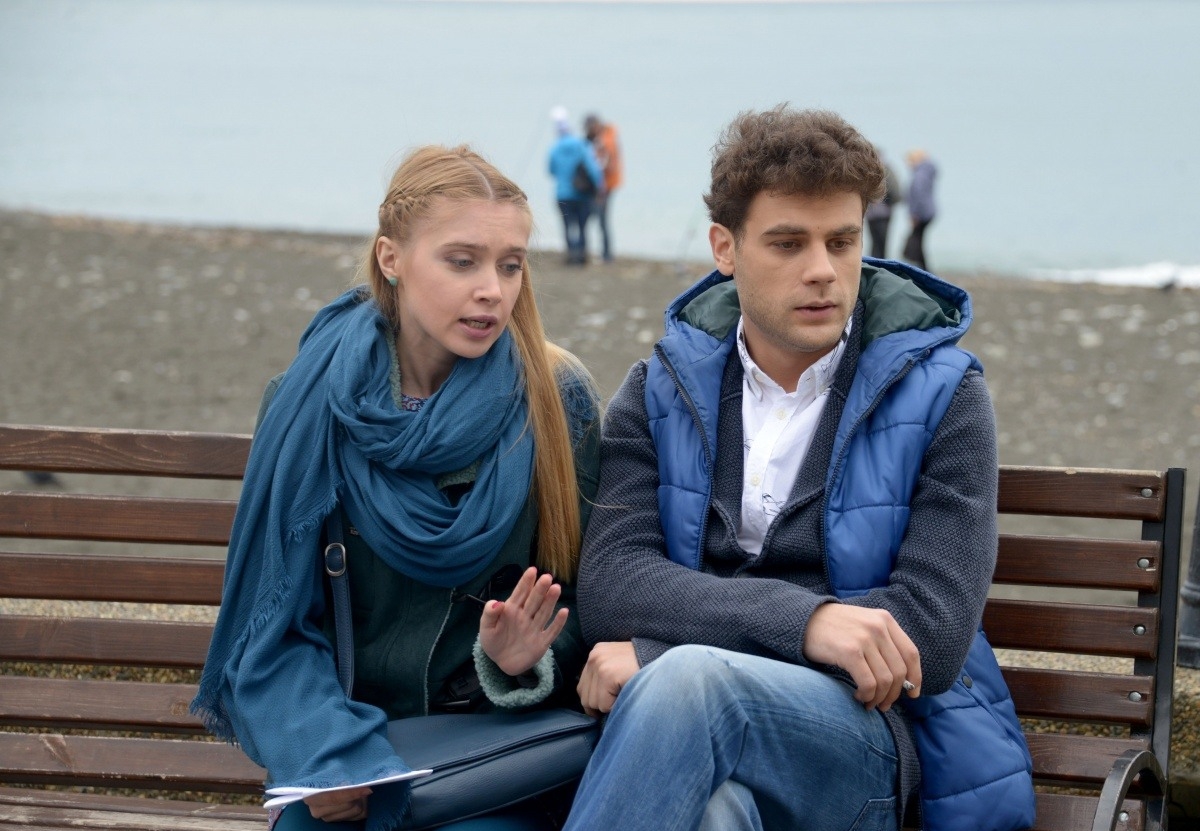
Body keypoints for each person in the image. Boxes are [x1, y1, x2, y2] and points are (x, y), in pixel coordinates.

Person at [565, 107, 1033, 831]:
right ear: (725, 248)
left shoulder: (946, 396)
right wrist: (807, 622)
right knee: (714, 814)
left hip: (864, 744)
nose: (822, 270)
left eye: (842, 241)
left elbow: (932, 636)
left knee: (691, 685)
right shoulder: (659, 391)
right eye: (788, 243)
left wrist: (663, 650)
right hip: (693, 737)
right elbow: (613, 582)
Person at [192, 145, 601, 831]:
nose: (493, 290)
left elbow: (594, 604)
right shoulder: (305, 405)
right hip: (350, 746)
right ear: (391, 258)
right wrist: (321, 754)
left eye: (511, 264)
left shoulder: (559, 405)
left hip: (497, 759)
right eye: (462, 261)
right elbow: (274, 623)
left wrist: (517, 662)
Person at [547, 106, 603, 266]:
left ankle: (571, 254)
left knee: (567, 226)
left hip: (562, 194)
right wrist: (600, 187)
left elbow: (551, 170)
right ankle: (581, 255)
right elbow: (593, 169)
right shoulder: (581, 145)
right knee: (582, 226)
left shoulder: (554, 149)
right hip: (581, 195)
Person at [583, 113, 623, 262]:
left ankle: (606, 254)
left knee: (601, 219)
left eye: (589, 128)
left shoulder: (605, 141)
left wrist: (600, 185)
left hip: (605, 186)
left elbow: (607, 165)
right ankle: (606, 253)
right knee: (602, 219)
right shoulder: (609, 136)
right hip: (609, 184)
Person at [902, 148, 937, 270]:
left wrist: (915, 214)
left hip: (922, 213)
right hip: (928, 211)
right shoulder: (926, 173)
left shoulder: (920, 174)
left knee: (915, 242)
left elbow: (919, 195)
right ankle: (923, 268)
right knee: (918, 241)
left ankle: (921, 268)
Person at [864, 149, 901, 260]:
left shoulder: (882, 170)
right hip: (879, 213)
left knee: (877, 242)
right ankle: (878, 263)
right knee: (880, 243)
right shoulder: (886, 170)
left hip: (878, 213)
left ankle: (876, 263)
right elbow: (896, 192)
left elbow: (895, 192)